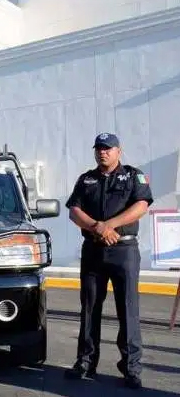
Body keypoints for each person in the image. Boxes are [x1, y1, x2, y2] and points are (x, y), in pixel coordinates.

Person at [64, 133, 153, 389]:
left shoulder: (132, 175)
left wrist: (110, 225)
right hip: (93, 250)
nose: (102, 152)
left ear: (118, 151)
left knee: (128, 309)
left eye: (108, 148)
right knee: (90, 309)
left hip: (123, 251)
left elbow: (142, 205)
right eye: (99, 148)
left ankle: (131, 368)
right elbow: (74, 211)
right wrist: (96, 227)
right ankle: (85, 362)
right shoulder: (86, 179)